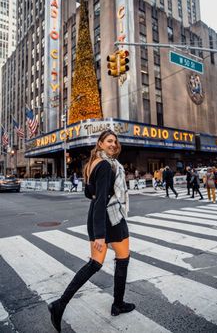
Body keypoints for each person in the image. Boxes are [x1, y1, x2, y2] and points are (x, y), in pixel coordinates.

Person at [48, 130, 135, 332]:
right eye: (109, 141)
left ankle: (116, 304)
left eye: (116, 141)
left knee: (101, 263)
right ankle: (62, 304)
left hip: (101, 216)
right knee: (116, 261)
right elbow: (101, 198)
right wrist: (100, 235)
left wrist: (99, 227)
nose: (113, 144)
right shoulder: (105, 165)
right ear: (100, 143)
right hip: (110, 218)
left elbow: (91, 193)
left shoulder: (93, 163)